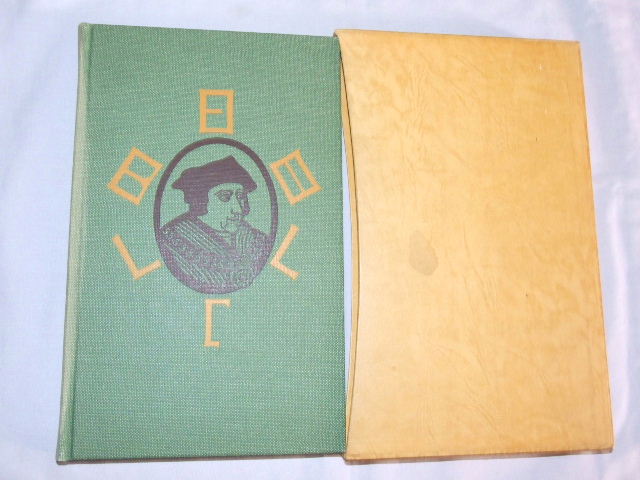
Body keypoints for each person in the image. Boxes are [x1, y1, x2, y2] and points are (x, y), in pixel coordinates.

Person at [159, 155, 270, 294]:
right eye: (225, 197)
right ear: (200, 200)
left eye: (240, 197)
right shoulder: (171, 241)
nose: (238, 209)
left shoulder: (258, 240)